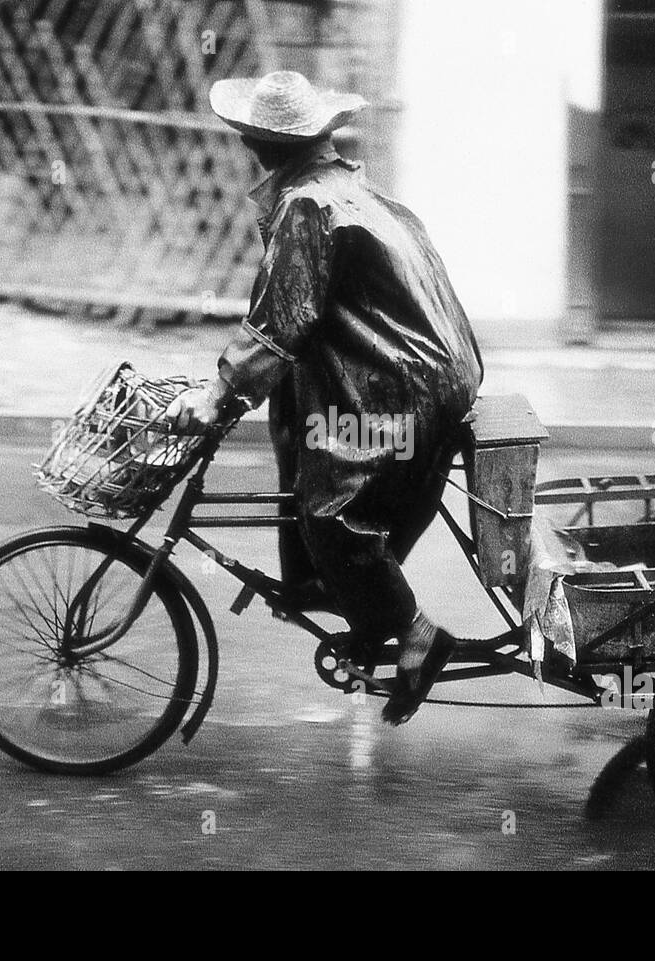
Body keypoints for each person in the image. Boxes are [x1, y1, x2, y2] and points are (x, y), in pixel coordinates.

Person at [167, 71, 483, 724]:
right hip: (421, 374)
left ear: (255, 141)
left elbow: (283, 318)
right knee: (313, 468)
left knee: (332, 508)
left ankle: (416, 633)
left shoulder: (308, 202)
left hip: (403, 389)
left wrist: (221, 387)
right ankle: (365, 617)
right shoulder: (340, 187)